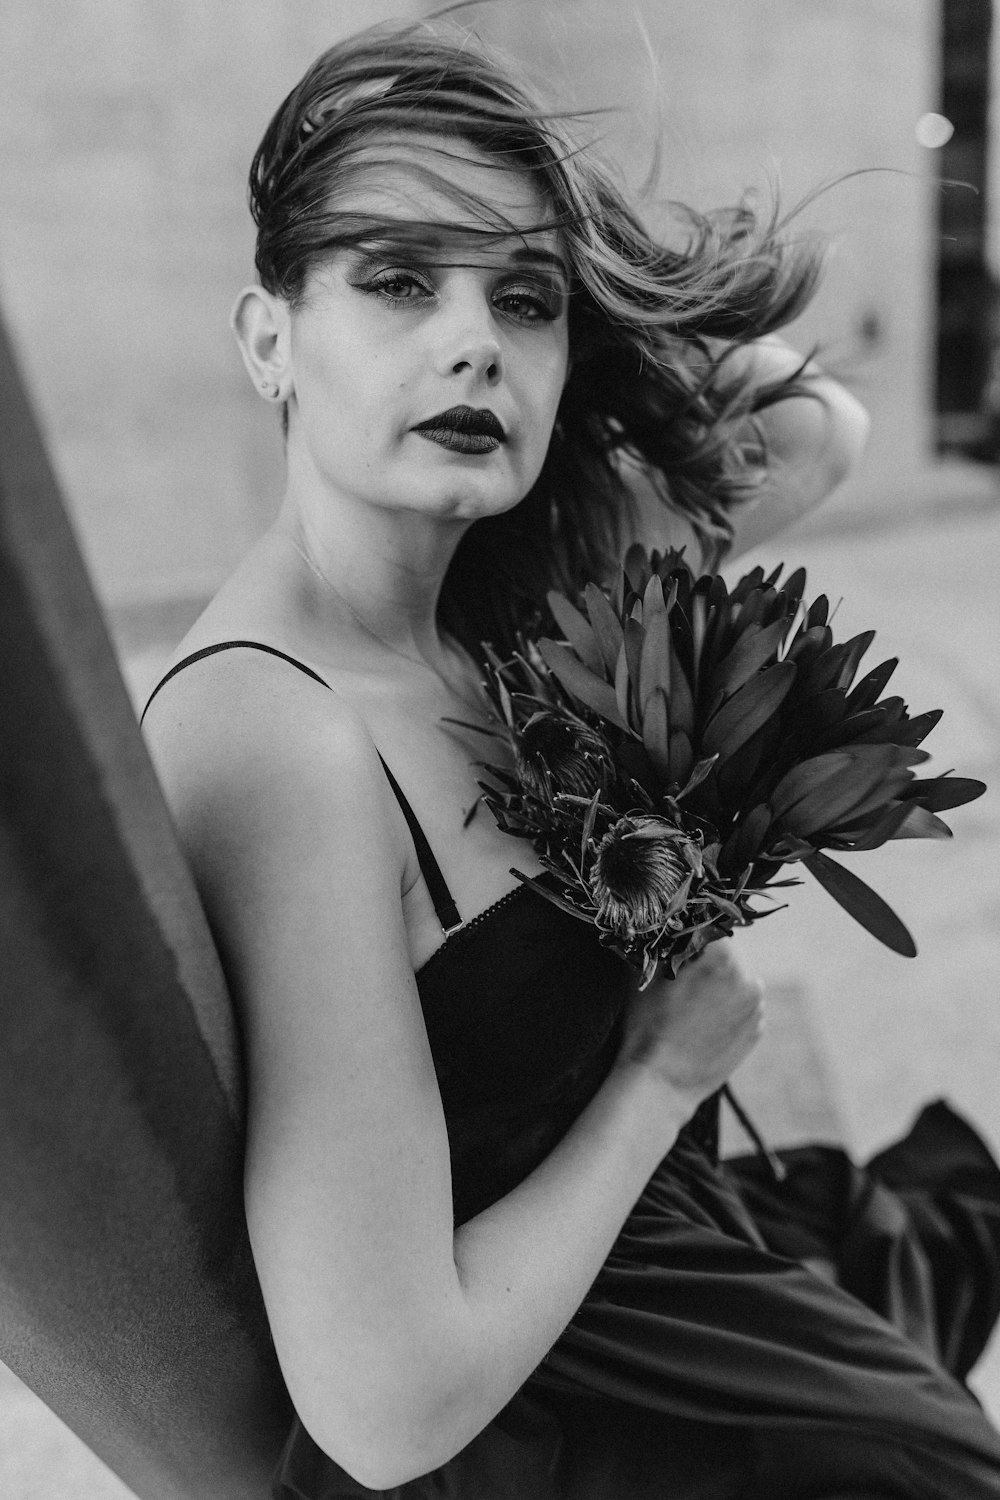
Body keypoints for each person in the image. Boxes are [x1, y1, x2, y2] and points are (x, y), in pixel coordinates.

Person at [141, 19, 1000, 1499]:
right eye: (399, 279)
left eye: (522, 299)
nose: (473, 338)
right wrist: (660, 1083)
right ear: (267, 336)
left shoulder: (509, 602)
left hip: (661, 1268)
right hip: (545, 1415)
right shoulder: (281, 738)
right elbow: (386, 1407)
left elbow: (820, 426)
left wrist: (609, 308)